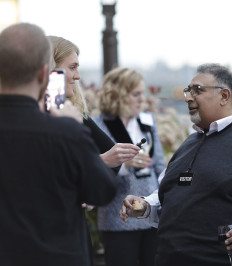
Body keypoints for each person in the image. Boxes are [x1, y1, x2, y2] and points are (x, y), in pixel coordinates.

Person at [121, 63, 232, 266]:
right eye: (188, 90)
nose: (187, 97)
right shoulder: (188, 144)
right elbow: (168, 199)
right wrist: (144, 206)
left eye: (198, 90)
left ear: (224, 96)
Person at [0, 23, 118, 266]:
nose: (76, 75)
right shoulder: (65, 130)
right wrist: (73, 129)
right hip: (59, 254)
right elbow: (103, 190)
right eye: (72, 68)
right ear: (45, 74)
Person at [92, 67, 165, 266]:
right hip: (117, 217)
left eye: (143, 93)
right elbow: (94, 171)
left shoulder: (147, 121)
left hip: (150, 211)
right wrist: (123, 165)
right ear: (117, 95)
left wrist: (165, 202)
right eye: (136, 94)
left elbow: (159, 165)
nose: (142, 99)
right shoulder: (98, 125)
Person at [47, 36, 139, 174]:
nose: (77, 76)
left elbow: (111, 158)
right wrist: (101, 161)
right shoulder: (33, 117)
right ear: (50, 69)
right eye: (72, 67)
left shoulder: (74, 113)